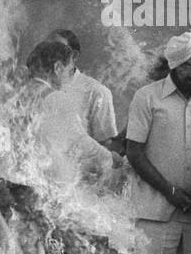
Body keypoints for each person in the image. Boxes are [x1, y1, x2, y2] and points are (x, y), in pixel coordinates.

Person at [125, 32, 191, 254]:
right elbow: (134, 152)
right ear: (175, 66)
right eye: (187, 67)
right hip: (155, 212)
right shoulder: (147, 97)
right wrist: (170, 191)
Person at [15, 41, 116, 184]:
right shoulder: (56, 98)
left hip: (22, 178)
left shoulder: (17, 94)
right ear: (57, 67)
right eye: (70, 71)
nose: (69, 80)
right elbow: (80, 142)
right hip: (50, 188)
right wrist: (109, 159)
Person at [47, 29, 121, 152]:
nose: (49, 54)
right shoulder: (33, 88)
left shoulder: (97, 92)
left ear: (74, 56)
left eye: (57, 48)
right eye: (46, 48)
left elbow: (107, 147)